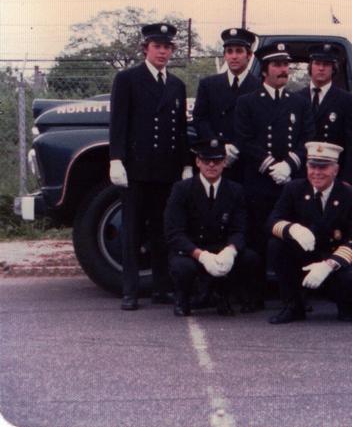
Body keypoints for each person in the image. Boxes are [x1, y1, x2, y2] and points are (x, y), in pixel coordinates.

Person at [109, 23, 191, 311]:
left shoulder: (177, 85)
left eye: (167, 47)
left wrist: (185, 164)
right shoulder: (128, 78)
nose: (163, 52)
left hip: (166, 170)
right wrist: (115, 159)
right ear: (146, 48)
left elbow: (180, 130)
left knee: (161, 230)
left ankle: (161, 287)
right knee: (131, 231)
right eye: (157, 46)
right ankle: (129, 291)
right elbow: (118, 122)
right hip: (135, 169)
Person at [234, 42, 314, 304]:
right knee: (257, 237)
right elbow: (244, 140)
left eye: (285, 65)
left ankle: (293, 295)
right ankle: (254, 295)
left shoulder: (299, 102)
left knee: (293, 236)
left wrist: (289, 164)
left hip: (291, 181)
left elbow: (308, 138)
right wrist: (270, 165)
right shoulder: (247, 102)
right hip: (259, 181)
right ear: (264, 70)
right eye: (277, 65)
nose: (283, 70)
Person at [267, 142, 352, 324]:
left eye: (323, 167)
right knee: (276, 245)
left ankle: (344, 304)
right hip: (306, 254)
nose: (317, 172)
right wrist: (292, 229)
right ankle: (293, 306)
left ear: (335, 170)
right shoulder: (294, 189)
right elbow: (273, 220)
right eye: (313, 166)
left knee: (351, 275)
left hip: (336, 256)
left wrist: (329, 264)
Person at [164, 139, 260, 316]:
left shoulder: (235, 190)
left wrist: (231, 250)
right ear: (197, 162)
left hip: (221, 249)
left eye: (216, 160)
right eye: (206, 160)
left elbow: (240, 229)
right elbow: (174, 233)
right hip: (193, 251)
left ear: (224, 162)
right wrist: (200, 255)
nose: (211, 165)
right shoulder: (182, 189)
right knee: (182, 267)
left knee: (250, 258)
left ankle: (228, 295)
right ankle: (183, 298)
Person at [192, 27, 260, 182]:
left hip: (246, 162)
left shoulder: (259, 87)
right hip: (215, 160)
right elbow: (200, 119)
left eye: (239, 51)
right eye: (229, 51)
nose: (234, 56)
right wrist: (220, 146)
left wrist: (236, 147)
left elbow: (259, 126)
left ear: (249, 55)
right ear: (224, 55)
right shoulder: (208, 85)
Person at [302, 43, 352, 184]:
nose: (321, 68)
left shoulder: (347, 100)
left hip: (333, 174)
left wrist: (347, 179)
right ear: (310, 66)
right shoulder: (297, 98)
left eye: (327, 64)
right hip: (302, 173)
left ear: (334, 68)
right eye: (317, 63)